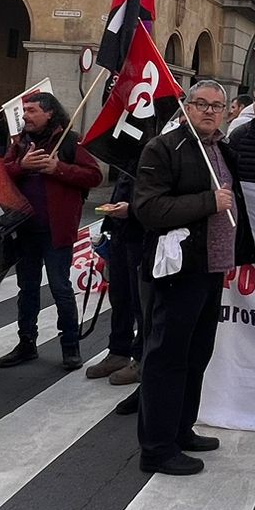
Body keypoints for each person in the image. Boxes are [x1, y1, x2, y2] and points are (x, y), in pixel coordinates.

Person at [131, 80, 255, 475]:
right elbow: (148, 208)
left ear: (226, 112)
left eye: (216, 106)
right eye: (200, 103)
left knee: (196, 355)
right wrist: (207, 202)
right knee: (167, 357)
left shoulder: (221, 149)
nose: (208, 111)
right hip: (178, 270)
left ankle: (181, 429)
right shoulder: (164, 148)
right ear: (186, 106)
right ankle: (156, 447)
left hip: (212, 268)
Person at [0, 90, 102, 372]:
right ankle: (26, 342)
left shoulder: (70, 140)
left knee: (61, 288)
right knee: (27, 288)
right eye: (25, 111)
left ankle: (70, 346)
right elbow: (0, 173)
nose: (26, 116)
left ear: (49, 113)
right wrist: (22, 166)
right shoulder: (20, 142)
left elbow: (94, 175)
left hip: (57, 230)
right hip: (25, 229)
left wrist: (58, 168)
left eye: (31, 110)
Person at [85, 161, 145, 385]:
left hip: (141, 233)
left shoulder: (159, 146)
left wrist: (130, 210)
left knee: (140, 300)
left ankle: (140, 358)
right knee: (119, 296)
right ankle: (119, 351)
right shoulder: (128, 152)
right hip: (120, 231)